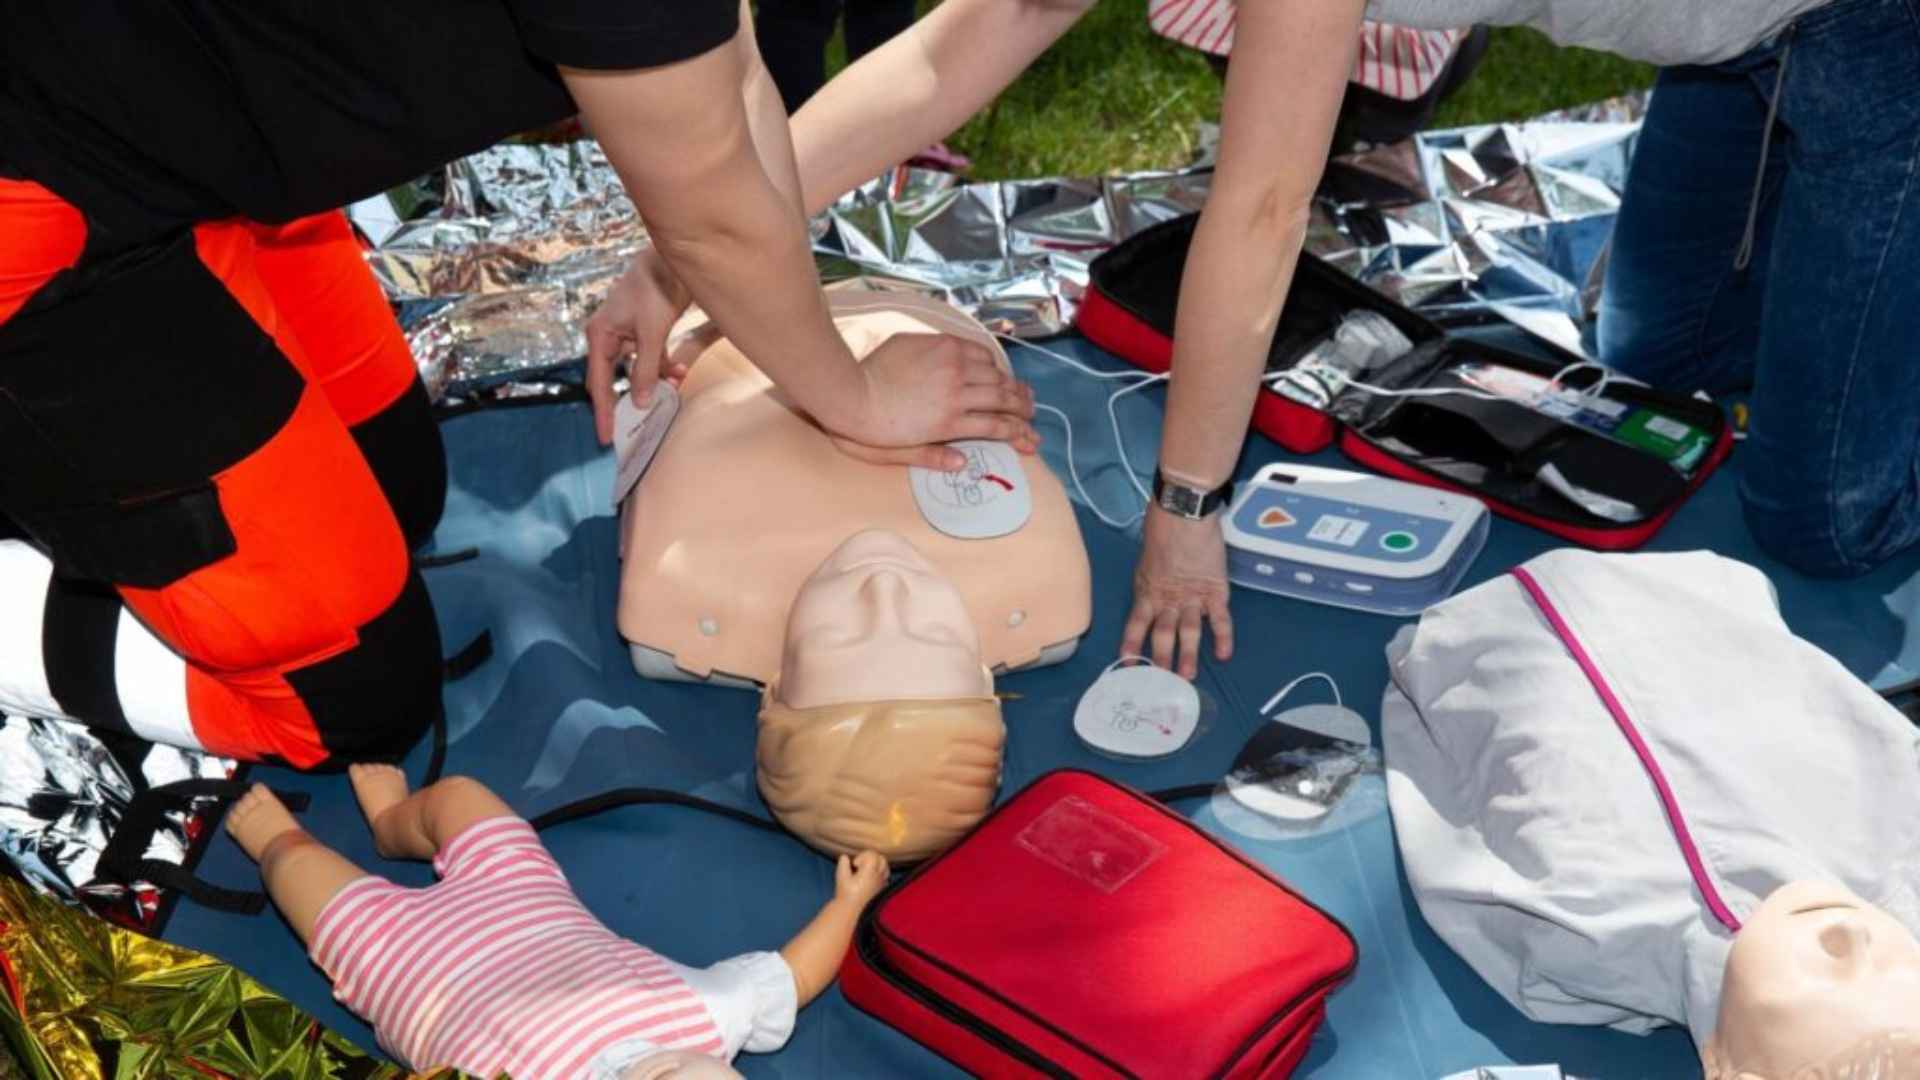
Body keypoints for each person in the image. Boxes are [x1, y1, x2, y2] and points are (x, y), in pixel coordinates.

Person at [724, 0, 1913, 676]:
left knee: (1824, 521)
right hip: (1737, 45)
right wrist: (695, 244)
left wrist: (1188, 513)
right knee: (1668, 361)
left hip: (1874, 29)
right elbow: (948, 56)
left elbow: (1257, 212)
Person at [0, 1, 1038, 767]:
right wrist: (848, 396)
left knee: (401, 488)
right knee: (352, 701)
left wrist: (697, 270)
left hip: (187, 162)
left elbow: (735, 86)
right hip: (39, 222)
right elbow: (716, 205)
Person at [223, 764, 890, 1080]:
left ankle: (282, 843)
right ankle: (394, 824)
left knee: (294, 869)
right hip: (519, 899)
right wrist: (850, 905)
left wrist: (284, 849)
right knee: (458, 797)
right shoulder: (709, 1016)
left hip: (400, 962)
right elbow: (792, 977)